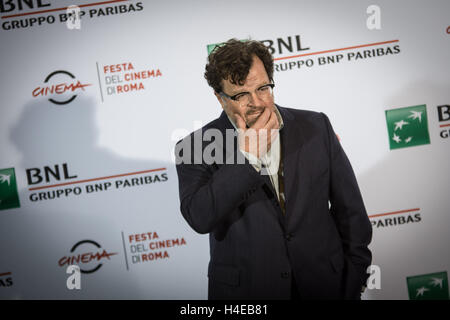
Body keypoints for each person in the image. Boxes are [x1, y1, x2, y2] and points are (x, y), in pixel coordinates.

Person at [174, 39, 372, 299]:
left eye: (263, 88)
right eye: (241, 94)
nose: (256, 102)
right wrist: (247, 157)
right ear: (220, 98)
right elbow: (200, 217)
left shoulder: (316, 126)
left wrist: (353, 280)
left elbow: (352, 214)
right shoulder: (194, 146)